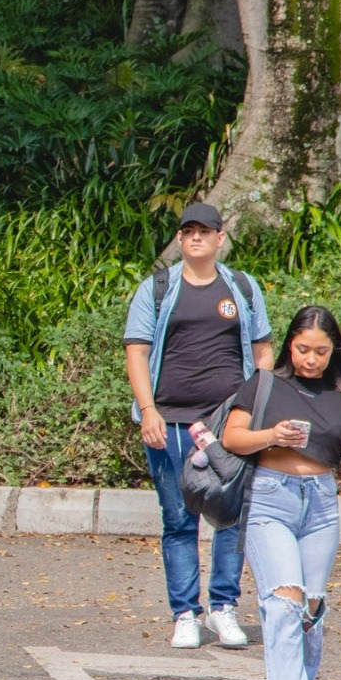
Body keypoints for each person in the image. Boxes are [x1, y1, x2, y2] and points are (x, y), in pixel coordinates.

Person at [219, 306, 341, 680]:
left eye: (321, 352)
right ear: (290, 344)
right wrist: (272, 435)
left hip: (322, 506)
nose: (311, 359)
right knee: (284, 598)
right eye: (303, 349)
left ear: (335, 351)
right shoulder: (266, 384)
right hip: (271, 498)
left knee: (311, 606)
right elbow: (232, 437)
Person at [124, 202, 273, 649]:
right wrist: (147, 409)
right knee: (179, 517)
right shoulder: (157, 288)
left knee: (230, 515)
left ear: (219, 238)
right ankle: (185, 613)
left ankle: (223, 608)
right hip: (169, 419)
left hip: (229, 422)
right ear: (180, 238)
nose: (195, 238)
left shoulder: (243, 288)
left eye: (204, 231)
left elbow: (264, 350)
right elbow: (136, 350)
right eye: (187, 231)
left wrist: (257, 406)